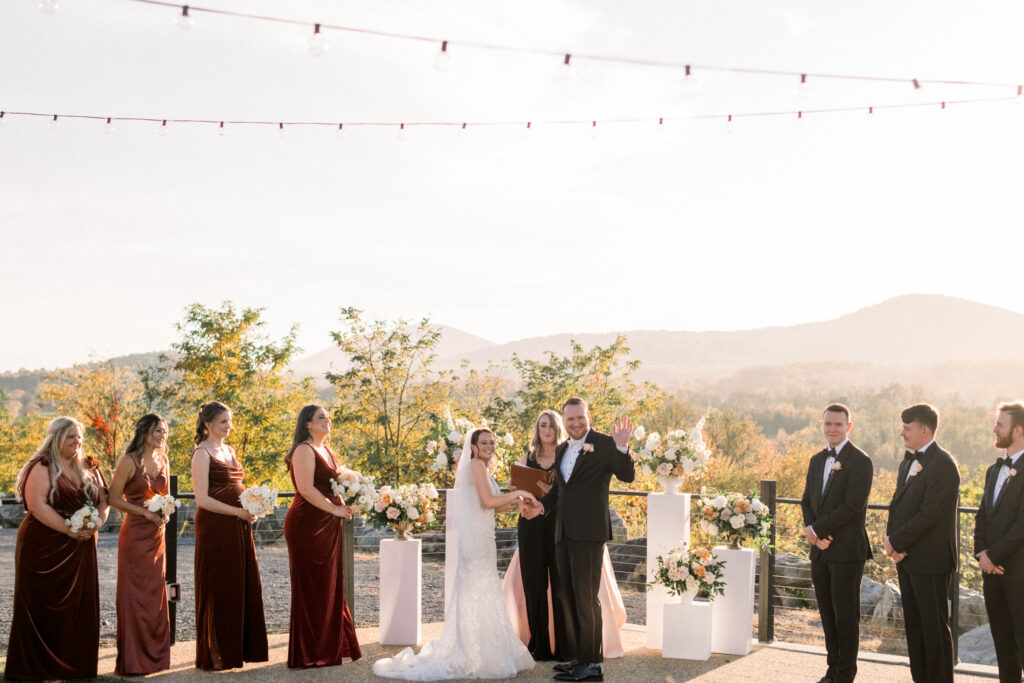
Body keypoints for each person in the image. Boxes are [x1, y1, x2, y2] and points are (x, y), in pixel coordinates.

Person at [373, 428, 536, 680]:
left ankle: (481, 650)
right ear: (473, 446)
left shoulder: (482, 468)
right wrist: (521, 493)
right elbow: (491, 501)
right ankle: (472, 653)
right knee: (476, 592)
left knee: (483, 592)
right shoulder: (476, 466)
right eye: (484, 442)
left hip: (483, 540)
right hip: (475, 544)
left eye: (492, 442)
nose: (490, 446)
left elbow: (490, 507)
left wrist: (516, 503)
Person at [525, 397, 635, 683]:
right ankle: (578, 658)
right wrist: (541, 506)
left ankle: (593, 664)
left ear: (588, 416)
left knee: (586, 599)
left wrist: (622, 446)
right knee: (566, 596)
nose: (575, 423)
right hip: (562, 533)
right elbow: (559, 492)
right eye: (569, 419)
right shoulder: (562, 449)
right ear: (565, 420)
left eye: (579, 418)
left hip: (589, 534)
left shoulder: (605, 443)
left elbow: (627, 475)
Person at [504, 410, 627, 661]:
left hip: (562, 526)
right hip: (532, 523)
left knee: (566, 591)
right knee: (536, 587)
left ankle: (569, 650)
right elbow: (522, 489)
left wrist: (622, 446)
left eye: (551, 426)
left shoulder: (570, 451)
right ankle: (539, 645)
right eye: (542, 426)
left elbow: (571, 490)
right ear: (537, 430)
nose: (546, 431)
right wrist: (519, 496)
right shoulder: (533, 456)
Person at [5, 416, 109, 681]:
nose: (77, 441)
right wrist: (68, 529)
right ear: (56, 437)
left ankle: (74, 667)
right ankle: (38, 669)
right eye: (71, 436)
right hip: (43, 546)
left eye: (79, 436)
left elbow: (103, 501)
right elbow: (37, 505)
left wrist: (95, 524)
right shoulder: (43, 465)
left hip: (82, 545)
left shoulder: (89, 466)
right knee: (42, 605)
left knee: (78, 607)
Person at [191, 401, 269, 670]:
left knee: (240, 584)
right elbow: (202, 499)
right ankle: (217, 652)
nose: (229, 426)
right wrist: (237, 512)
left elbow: (236, 485)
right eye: (224, 421)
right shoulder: (201, 454)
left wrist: (252, 505)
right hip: (216, 528)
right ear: (208, 424)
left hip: (239, 524)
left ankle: (238, 650)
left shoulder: (230, 450)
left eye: (230, 420)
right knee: (220, 585)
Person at [885, 403, 959, 683]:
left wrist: (897, 541)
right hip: (907, 559)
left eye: (908, 428)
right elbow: (898, 505)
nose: (903, 433)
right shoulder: (908, 462)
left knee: (934, 629)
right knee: (914, 629)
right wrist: (892, 542)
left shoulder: (944, 465)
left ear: (925, 431)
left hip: (931, 561)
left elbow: (931, 513)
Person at [283, 404, 361, 669]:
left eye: (328, 416)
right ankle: (309, 652)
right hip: (307, 525)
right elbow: (305, 489)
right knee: (312, 587)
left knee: (329, 586)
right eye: (321, 417)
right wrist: (335, 508)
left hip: (329, 523)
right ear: (307, 423)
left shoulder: (327, 450)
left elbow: (332, 486)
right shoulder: (303, 450)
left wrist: (349, 502)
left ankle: (330, 647)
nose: (327, 420)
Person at [799, 404, 873, 683]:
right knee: (827, 615)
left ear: (849, 427)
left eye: (838, 425)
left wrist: (820, 529)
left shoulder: (861, 461)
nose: (832, 429)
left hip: (847, 550)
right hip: (819, 550)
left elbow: (853, 505)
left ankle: (845, 674)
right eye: (828, 424)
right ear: (822, 425)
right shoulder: (816, 460)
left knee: (845, 615)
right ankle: (832, 670)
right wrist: (812, 533)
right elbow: (807, 500)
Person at [108, 413, 172, 675]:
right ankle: (134, 660)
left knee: (155, 594)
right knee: (136, 595)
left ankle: (156, 658)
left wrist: (165, 512)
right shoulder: (128, 461)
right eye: (157, 430)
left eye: (165, 431)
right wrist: (144, 513)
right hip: (135, 535)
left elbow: (165, 495)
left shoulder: (164, 459)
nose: (162, 435)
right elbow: (113, 499)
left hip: (157, 536)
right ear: (144, 431)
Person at [975, 401, 1024, 683]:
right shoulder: (994, 470)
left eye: (1000, 425)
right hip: (992, 574)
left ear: (1018, 430)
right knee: (1003, 648)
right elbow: (982, 515)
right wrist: (982, 554)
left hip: (1018, 573)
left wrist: (995, 556)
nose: (994, 429)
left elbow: (1022, 524)